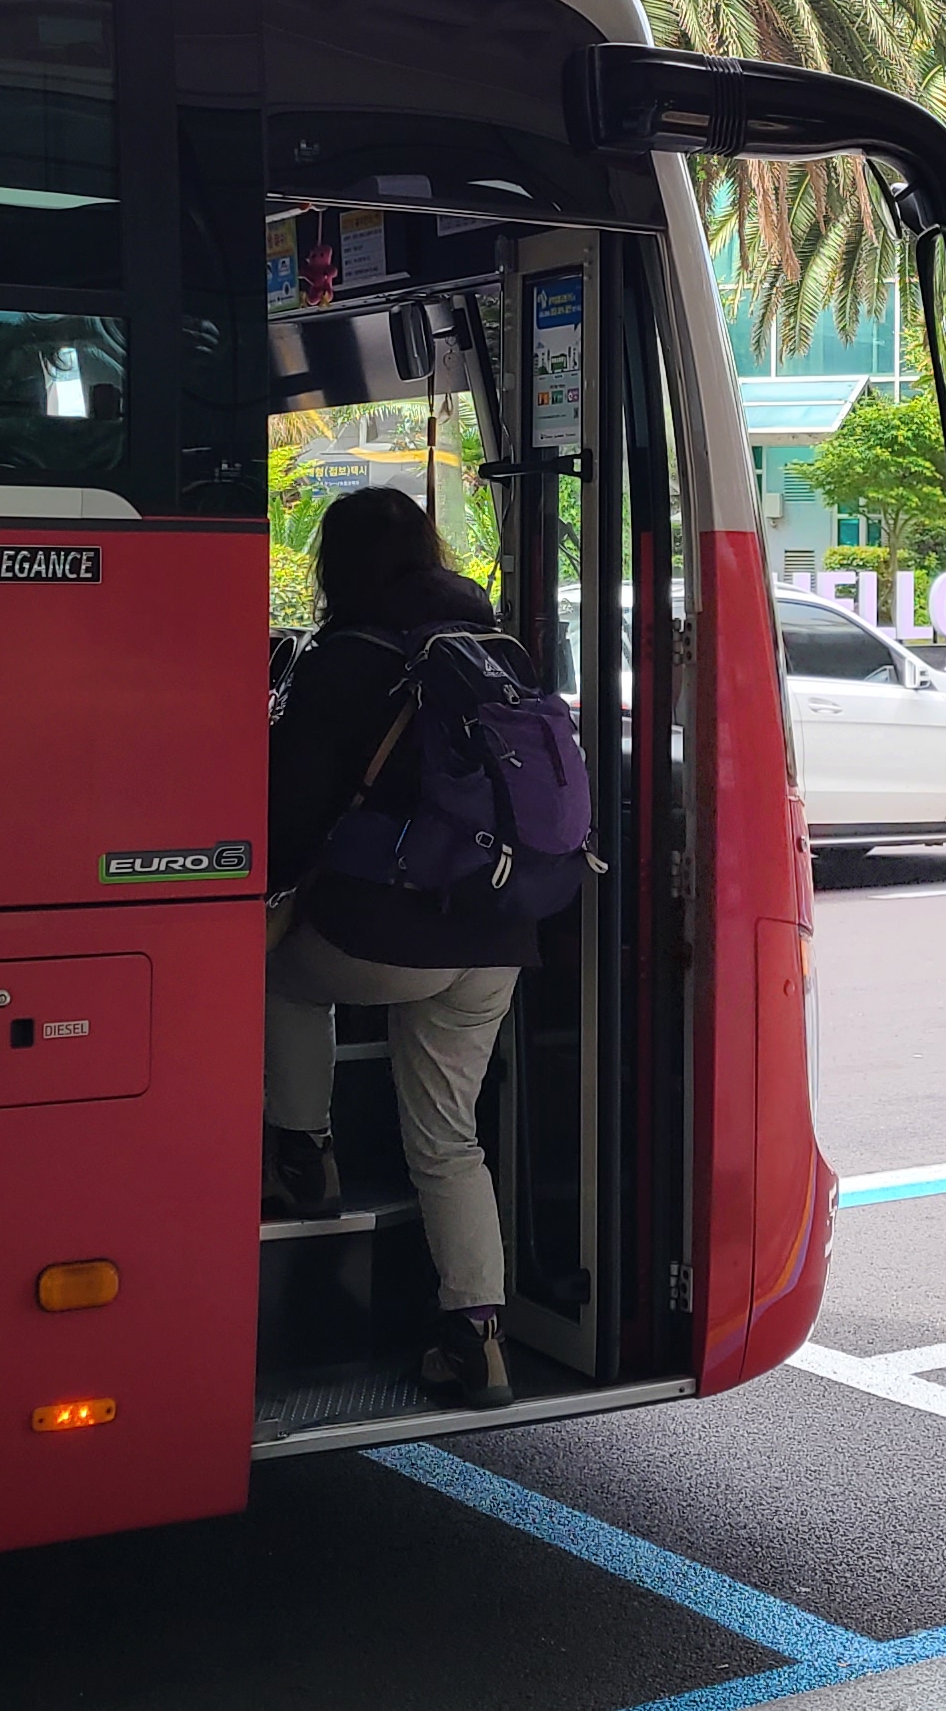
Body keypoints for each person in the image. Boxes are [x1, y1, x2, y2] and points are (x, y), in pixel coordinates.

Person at [264, 486, 537, 1410]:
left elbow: (291, 808)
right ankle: (476, 1339)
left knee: (280, 977)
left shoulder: (348, 658)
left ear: (336, 565)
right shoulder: (494, 645)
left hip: (386, 928)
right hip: (498, 929)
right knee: (448, 1138)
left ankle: (304, 1158)